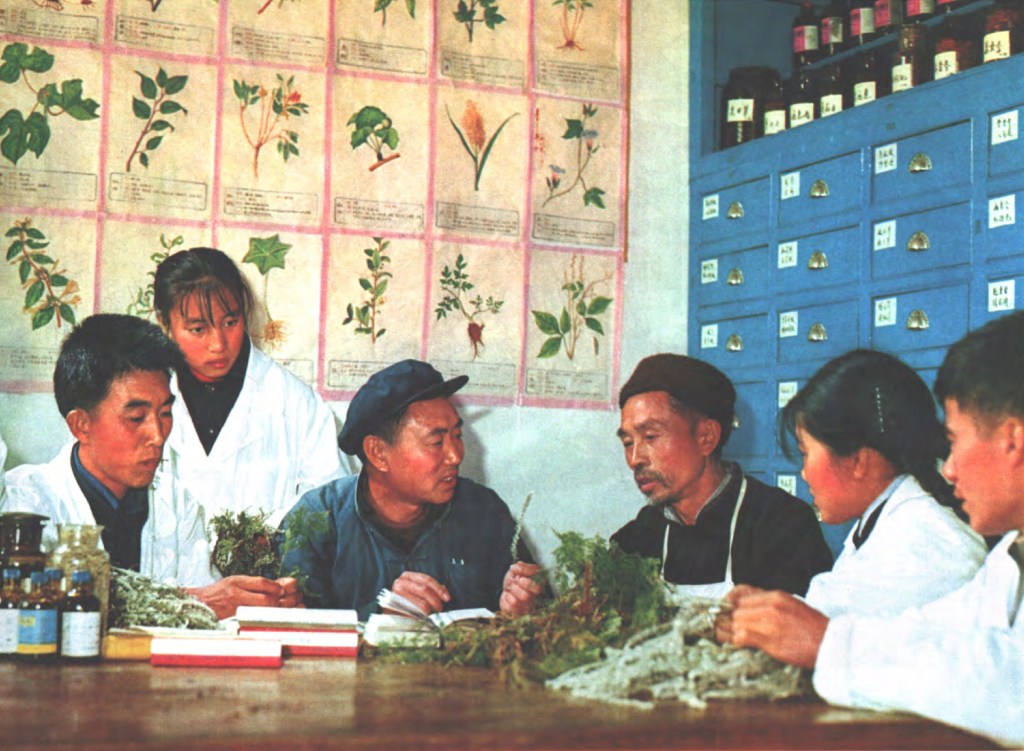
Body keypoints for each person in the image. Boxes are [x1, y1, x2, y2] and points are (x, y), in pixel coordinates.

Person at [719, 312, 1024, 748]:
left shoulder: (934, 537)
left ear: (1012, 441)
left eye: (955, 441)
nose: (950, 469)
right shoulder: (1009, 558)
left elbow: (1009, 683)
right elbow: (936, 629)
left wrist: (828, 643)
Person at [1, 314, 300, 618]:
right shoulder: (25, 504)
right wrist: (195, 601)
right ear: (81, 425)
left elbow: (205, 618)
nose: (158, 436)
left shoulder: (176, 502)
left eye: (165, 413)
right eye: (136, 418)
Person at [279, 359, 544, 621]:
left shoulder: (484, 511)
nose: (455, 455)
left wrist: (523, 613)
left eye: (457, 436)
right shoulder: (317, 520)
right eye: (436, 441)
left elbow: (542, 619)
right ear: (378, 453)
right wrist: (382, 617)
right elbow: (289, 628)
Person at [748, 349, 985, 618]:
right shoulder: (886, 516)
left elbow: (834, 623)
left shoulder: (926, 546)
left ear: (857, 461)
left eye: (805, 453)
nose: (803, 474)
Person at [611, 353, 833, 601]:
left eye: (650, 437)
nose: (635, 459)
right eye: (628, 442)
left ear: (706, 437)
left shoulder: (783, 526)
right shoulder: (638, 537)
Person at [152, 247, 348, 526]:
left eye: (230, 322)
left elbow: (327, 504)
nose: (218, 344)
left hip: (269, 569)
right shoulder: (147, 397)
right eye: (198, 329)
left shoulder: (294, 402)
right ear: (165, 323)